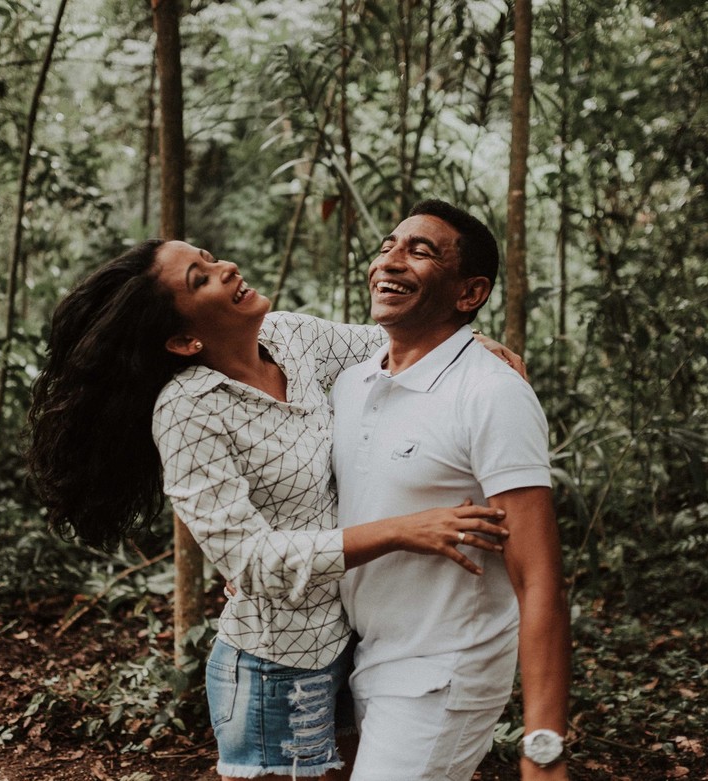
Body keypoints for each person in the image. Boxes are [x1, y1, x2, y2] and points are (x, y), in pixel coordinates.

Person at [26, 238, 521, 781]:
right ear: (185, 339)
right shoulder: (189, 411)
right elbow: (250, 561)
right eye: (201, 278)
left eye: (211, 259)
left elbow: (396, 343)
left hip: (355, 644)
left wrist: (479, 342)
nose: (227, 268)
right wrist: (403, 530)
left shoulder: (291, 337)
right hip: (276, 668)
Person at [330, 200, 571, 781]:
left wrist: (544, 746)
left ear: (470, 294)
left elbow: (538, 577)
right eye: (388, 245)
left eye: (420, 251)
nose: (391, 260)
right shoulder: (352, 381)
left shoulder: (493, 394)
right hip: (352, 659)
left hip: (442, 673)